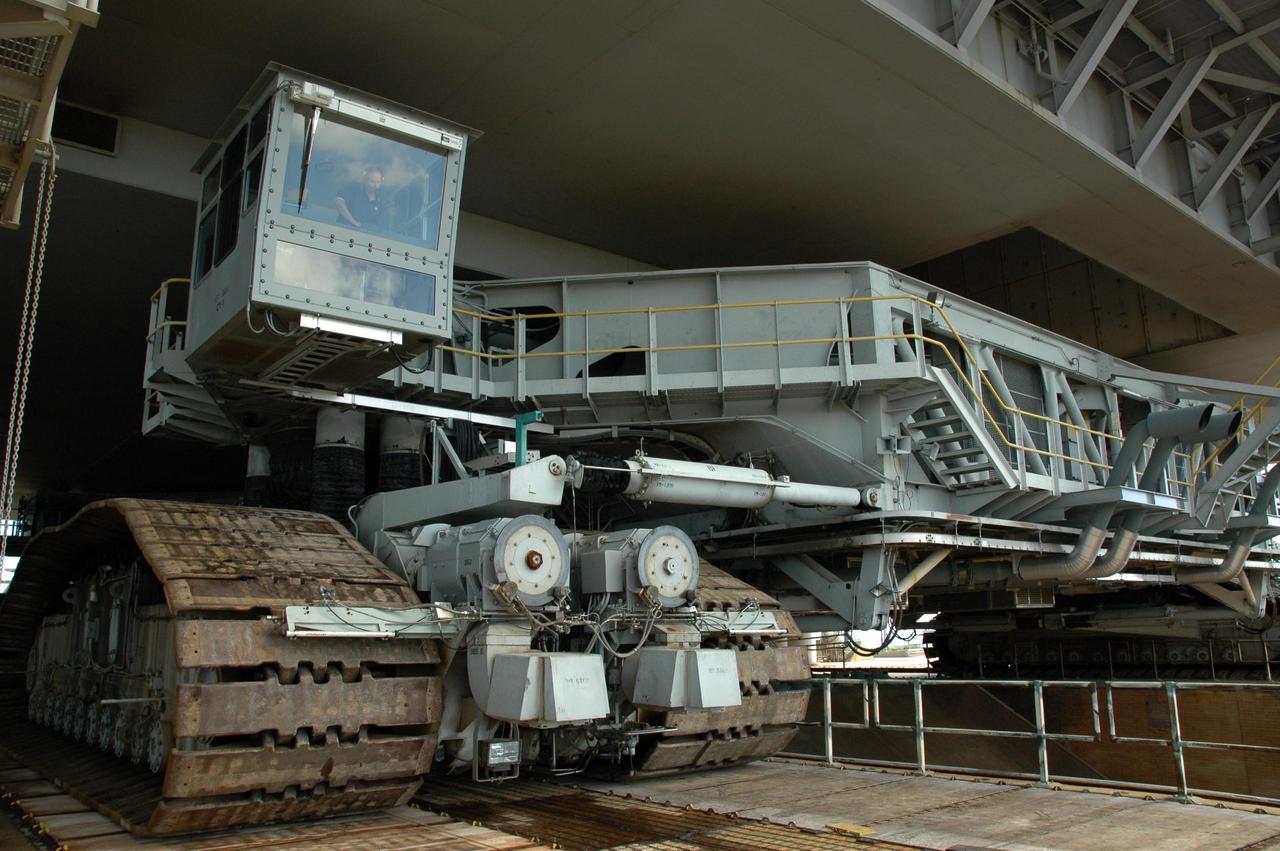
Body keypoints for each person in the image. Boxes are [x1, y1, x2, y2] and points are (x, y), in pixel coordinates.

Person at [335, 167, 388, 231]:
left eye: (378, 182)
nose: (375, 185)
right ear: (364, 180)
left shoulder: (380, 199)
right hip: (343, 230)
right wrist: (355, 223)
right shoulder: (353, 188)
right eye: (372, 182)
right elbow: (339, 202)